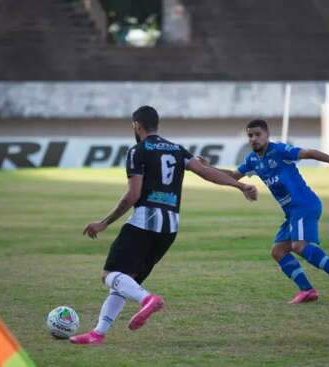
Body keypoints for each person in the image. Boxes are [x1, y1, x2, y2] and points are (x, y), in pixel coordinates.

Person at [70, 106, 257, 345]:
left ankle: (148, 300)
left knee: (110, 275)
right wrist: (240, 186)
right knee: (127, 282)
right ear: (157, 125)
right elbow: (206, 171)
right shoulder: (177, 149)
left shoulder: (137, 151)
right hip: (169, 228)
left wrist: (104, 222)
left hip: (144, 222)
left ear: (137, 125)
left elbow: (133, 195)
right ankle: (98, 332)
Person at [202, 119, 329, 304]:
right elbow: (234, 175)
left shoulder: (280, 151)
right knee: (278, 251)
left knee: (299, 246)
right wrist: (207, 167)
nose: (254, 139)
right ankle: (307, 290)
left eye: (258, 135)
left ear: (267, 135)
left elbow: (310, 153)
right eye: (250, 135)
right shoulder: (252, 160)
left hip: (304, 205)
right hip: (292, 212)